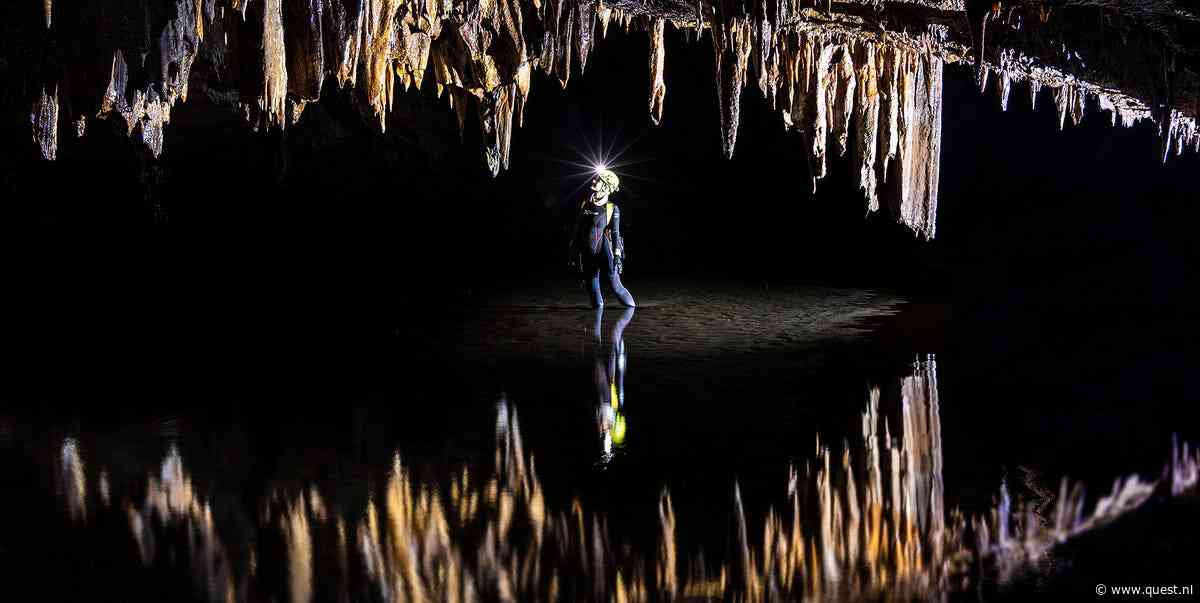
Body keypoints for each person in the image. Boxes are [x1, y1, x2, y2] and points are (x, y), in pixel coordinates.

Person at [569, 169, 636, 308]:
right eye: (594, 178)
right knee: (596, 303)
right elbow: (577, 230)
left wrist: (617, 255)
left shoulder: (611, 208)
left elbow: (616, 233)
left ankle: (636, 314)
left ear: (606, 186)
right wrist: (573, 253)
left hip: (605, 252)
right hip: (588, 254)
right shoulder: (585, 204)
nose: (593, 181)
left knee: (615, 286)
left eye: (597, 180)